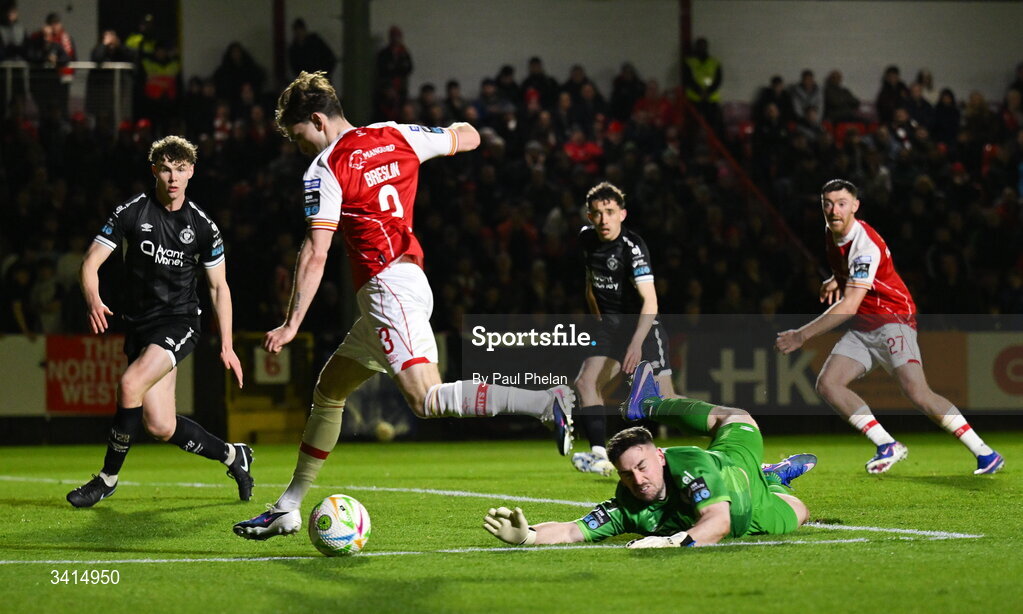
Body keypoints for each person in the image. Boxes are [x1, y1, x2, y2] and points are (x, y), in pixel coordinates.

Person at [232, 72, 575, 540]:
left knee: (426, 399)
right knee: (330, 388)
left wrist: (292, 323)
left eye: (298, 136)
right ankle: (288, 506)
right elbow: (467, 136)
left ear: (316, 119)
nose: (299, 147)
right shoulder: (397, 134)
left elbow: (315, 252)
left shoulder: (326, 168)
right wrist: (465, 133)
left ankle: (544, 401)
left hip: (386, 287)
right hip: (406, 280)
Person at [65, 136, 252, 508]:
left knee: (129, 383)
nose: (173, 177)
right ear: (154, 171)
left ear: (191, 173)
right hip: (139, 326)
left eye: (181, 170)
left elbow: (219, 288)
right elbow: (90, 263)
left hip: (179, 322)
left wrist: (227, 345)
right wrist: (93, 298)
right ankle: (234, 456)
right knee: (161, 426)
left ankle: (106, 479)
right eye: (166, 169)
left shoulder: (202, 226)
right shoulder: (132, 212)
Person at [775, 179, 1004, 475]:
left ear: (855, 206)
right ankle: (887, 445)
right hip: (865, 325)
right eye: (828, 204)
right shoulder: (832, 232)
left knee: (917, 392)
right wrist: (837, 278)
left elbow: (848, 306)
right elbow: (848, 274)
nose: (834, 210)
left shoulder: (864, 246)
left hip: (892, 319)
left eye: (842, 204)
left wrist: (801, 335)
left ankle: (985, 453)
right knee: (829, 384)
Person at [484, 361, 815, 548]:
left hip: (730, 464)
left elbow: (718, 521)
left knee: (737, 416)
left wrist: (671, 543)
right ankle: (773, 476)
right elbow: (573, 530)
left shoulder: (689, 464)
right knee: (800, 511)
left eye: (642, 466)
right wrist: (528, 536)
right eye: (627, 474)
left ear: (660, 456)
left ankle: (650, 404)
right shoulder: (629, 504)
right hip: (755, 510)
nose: (638, 480)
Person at [571, 182, 675, 477]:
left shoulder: (632, 247)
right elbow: (590, 284)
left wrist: (636, 343)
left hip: (641, 326)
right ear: (589, 217)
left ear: (622, 214)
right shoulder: (586, 240)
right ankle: (599, 456)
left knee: (667, 402)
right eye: (597, 213)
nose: (604, 219)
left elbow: (651, 301)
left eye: (610, 212)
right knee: (586, 382)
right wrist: (598, 320)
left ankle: (727, 424)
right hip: (611, 328)